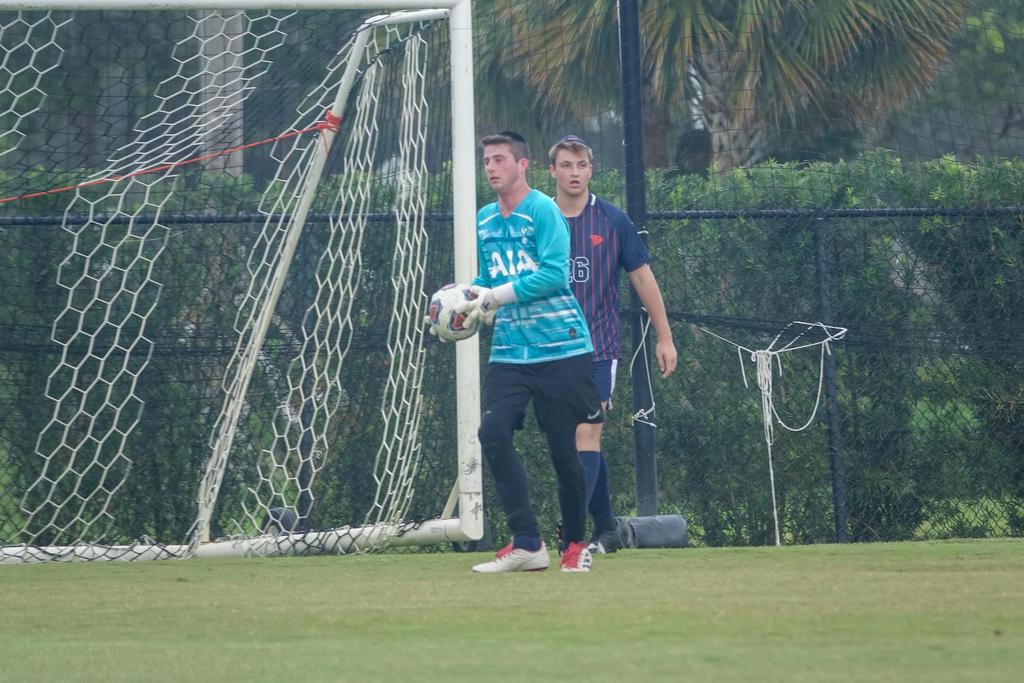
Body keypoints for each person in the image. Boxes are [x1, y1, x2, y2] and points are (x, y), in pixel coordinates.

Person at [456, 131, 603, 573]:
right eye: (487, 161)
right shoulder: (485, 219)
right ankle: (527, 543)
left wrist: (497, 296)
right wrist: (466, 303)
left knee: (563, 450)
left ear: (522, 165)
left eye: (499, 159)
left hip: (562, 348)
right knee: (492, 431)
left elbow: (556, 274)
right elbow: (490, 278)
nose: (491, 168)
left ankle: (574, 545)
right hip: (510, 353)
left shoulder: (542, 210)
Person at [548, 134, 678, 553]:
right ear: (552, 171)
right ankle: (606, 526)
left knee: (587, 432)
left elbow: (642, 277)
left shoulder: (612, 219)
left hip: (598, 348)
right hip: (549, 348)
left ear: (591, 170)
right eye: (566, 165)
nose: (574, 173)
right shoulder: (538, 220)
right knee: (573, 440)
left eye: (582, 165)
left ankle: (572, 533)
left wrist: (664, 337)